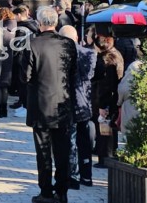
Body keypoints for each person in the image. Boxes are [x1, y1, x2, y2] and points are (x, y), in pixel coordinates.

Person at [24, 6, 76, 203]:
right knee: (62, 151)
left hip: (41, 105)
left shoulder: (33, 45)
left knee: (44, 152)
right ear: (55, 23)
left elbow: (25, 76)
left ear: (40, 23)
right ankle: (61, 191)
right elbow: (72, 74)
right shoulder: (68, 44)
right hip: (62, 103)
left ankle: (46, 191)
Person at [60, 25, 96, 189]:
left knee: (71, 142)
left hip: (68, 101)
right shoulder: (89, 53)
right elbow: (90, 76)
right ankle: (86, 176)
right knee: (85, 141)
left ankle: (73, 177)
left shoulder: (61, 55)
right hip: (83, 101)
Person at [92, 28, 123, 168]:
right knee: (107, 129)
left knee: (105, 130)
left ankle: (105, 158)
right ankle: (107, 155)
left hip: (107, 99)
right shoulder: (114, 55)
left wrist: (102, 105)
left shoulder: (108, 58)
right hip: (111, 98)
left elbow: (106, 84)